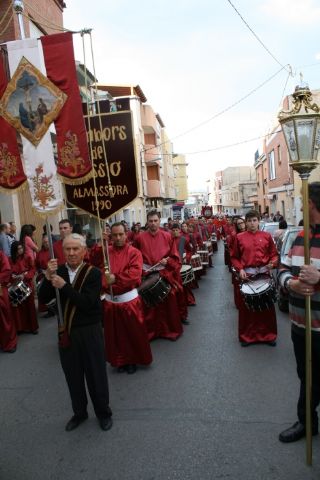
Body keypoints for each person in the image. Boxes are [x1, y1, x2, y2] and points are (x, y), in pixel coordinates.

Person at [38, 233, 112, 432]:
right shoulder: (57, 270)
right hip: (67, 331)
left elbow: (87, 304)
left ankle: (103, 412)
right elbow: (43, 298)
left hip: (90, 331)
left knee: (96, 375)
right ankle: (79, 413)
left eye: (75, 249)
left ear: (84, 251)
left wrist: (64, 287)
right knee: (73, 376)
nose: (71, 253)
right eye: (67, 249)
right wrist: (47, 277)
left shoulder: (94, 273)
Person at [278, 182, 320, 443]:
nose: (302, 204)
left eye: (304, 200)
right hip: (299, 324)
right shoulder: (297, 236)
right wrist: (290, 283)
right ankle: (307, 422)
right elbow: (280, 269)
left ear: (313, 203)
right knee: (305, 375)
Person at [101, 223, 152, 374]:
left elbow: (135, 274)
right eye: (114, 235)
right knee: (115, 333)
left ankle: (132, 360)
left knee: (132, 332)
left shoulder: (134, 252)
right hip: (111, 301)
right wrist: (99, 246)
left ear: (126, 234)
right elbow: (96, 267)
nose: (117, 238)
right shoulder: (106, 251)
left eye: (120, 234)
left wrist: (115, 278)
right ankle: (119, 360)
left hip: (128, 301)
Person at [230, 210, 278, 346]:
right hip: (248, 276)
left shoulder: (267, 236)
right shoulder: (239, 237)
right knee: (247, 309)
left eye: (254, 220)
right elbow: (234, 257)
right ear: (246, 222)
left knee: (266, 307)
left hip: (264, 275)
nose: (252, 223)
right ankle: (247, 336)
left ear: (259, 221)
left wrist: (273, 263)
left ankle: (269, 336)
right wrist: (240, 269)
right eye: (249, 221)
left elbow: (274, 254)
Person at [134, 210, 183, 341]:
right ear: (147, 222)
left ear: (159, 221)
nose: (153, 223)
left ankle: (169, 330)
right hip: (147, 274)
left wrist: (168, 261)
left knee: (169, 300)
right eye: (151, 221)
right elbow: (135, 258)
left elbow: (175, 257)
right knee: (148, 305)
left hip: (164, 273)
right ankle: (151, 332)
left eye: (156, 221)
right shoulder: (139, 238)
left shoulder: (168, 236)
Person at [10, 241, 38, 334]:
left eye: (21, 248)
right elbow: (9, 272)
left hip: (27, 283)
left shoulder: (27, 257)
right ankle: (21, 328)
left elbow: (33, 269)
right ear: (14, 250)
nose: (20, 250)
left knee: (30, 306)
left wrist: (25, 276)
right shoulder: (10, 259)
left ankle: (33, 328)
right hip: (16, 284)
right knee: (19, 307)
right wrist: (13, 276)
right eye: (18, 249)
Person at [0, 251, 17, 353]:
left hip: (0, 288)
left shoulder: (1, 254)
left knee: (5, 317)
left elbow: (6, 270)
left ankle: (10, 343)